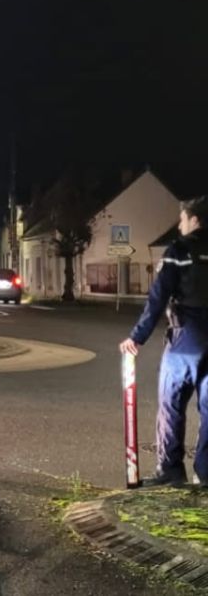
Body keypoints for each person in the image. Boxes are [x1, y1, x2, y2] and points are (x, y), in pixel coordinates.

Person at [120, 196, 208, 487]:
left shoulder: (179, 250)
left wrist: (137, 337)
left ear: (194, 220)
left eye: (182, 219)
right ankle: (205, 474)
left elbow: (157, 298)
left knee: (171, 403)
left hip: (186, 340)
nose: (180, 225)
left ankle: (171, 471)